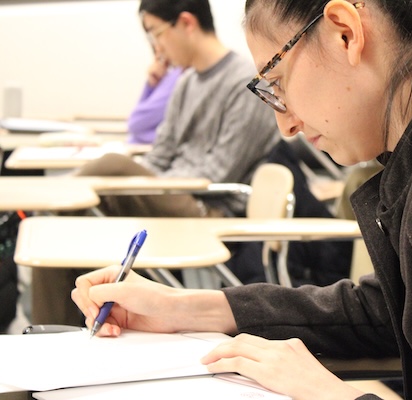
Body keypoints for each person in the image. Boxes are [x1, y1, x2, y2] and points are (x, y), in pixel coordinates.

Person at [72, 0, 412, 398]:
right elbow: (402, 310)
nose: (285, 122)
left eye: (275, 81)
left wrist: (334, 393)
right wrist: (184, 309)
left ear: (346, 31)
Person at [31, 0, 280, 326]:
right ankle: (50, 338)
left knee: (111, 165)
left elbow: (217, 172)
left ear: (186, 23)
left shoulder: (244, 81)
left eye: (156, 35)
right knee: (57, 234)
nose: (156, 48)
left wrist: (143, 181)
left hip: (208, 205)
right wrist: (145, 181)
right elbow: (159, 155)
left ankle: (41, 201)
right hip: (168, 193)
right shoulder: (188, 82)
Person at [126, 46, 183, 145]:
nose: (158, 46)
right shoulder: (172, 75)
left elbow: (136, 123)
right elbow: (137, 124)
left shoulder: (180, 75)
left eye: (158, 34)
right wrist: (152, 84)